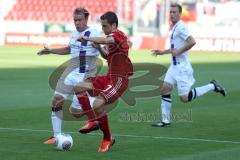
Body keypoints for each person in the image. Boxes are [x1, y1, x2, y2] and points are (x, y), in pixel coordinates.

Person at [151, 3, 226, 127]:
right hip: (174, 67)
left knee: (184, 98)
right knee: (165, 89)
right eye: (171, 12)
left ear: (180, 14)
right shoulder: (174, 27)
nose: (172, 14)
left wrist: (179, 51)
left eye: (175, 12)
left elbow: (192, 41)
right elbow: (175, 47)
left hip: (182, 68)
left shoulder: (181, 27)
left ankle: (213, 86)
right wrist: (162, 52)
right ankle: (165, 121)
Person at [37, 7, 100, 144]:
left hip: (84, 77)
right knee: (56, 100)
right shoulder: (73, 34)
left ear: (86, 19)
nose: (77, 23)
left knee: (76, 113)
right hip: (70, 74)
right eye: (75, 20)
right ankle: (56, 136)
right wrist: (51, 51)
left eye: (80, 20)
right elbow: (68, 49)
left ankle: (95, 106)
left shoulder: (94, 33)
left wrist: (100, 47)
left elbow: (105, 51)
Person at [74, 11, 133, 152]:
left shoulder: (118, 35)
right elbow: (108, 56)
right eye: (102, 26)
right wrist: (99, 48)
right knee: (79, 87)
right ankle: (92, 121)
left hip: (119, 80)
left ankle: (108, 138)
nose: (103, 29)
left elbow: (108, 40)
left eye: (105, 26)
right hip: (109, 77)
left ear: (114, 25)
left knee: (98, 103)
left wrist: (89, 39)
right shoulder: (110, 36)